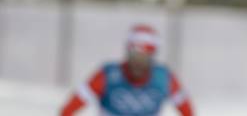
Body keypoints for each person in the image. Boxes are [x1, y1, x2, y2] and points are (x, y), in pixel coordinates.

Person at [60, 25, 194, 116]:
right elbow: (69, 109)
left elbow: (188, 111)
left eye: (144, 58)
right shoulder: (108, 75)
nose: (138, 62)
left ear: (152, 57)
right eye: (134, 56)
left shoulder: (164, 78)